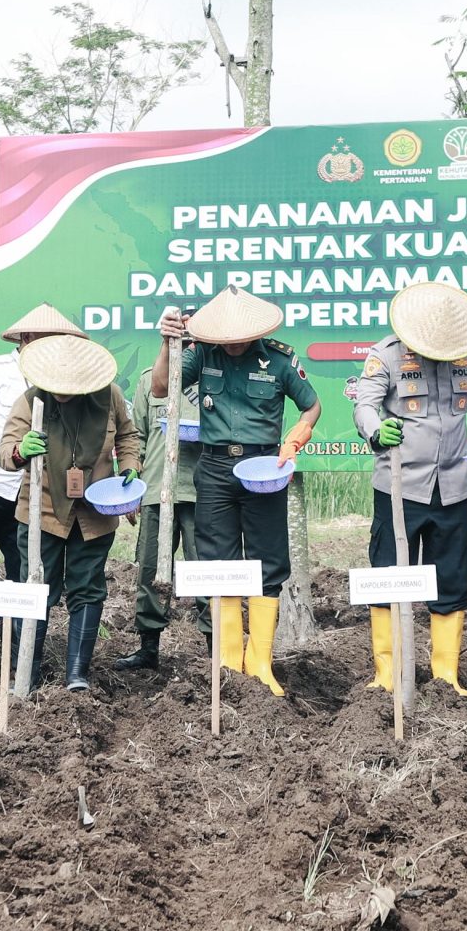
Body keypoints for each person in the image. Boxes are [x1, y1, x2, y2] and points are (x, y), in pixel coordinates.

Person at [151, 289, 320, 698]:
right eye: (225, 335)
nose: (232, 342)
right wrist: (166, 344)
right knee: (216, 560)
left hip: (265, 468)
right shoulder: (202, 354)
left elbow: (311, 406)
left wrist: (296, 439)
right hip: (214, 467)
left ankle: (260, 661)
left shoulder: (278, 359)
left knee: (268, 559)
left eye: (240, 335)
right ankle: (228, 659)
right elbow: (160, 388)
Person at [350, 281, 467, 699]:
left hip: (454, 486)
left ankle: (446, 676)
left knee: (451, 576)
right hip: (399, 487)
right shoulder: (385, 355)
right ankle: (388, 672)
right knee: (389, 575)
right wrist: (375, 430)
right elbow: (364, 405)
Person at [0, 335, 141, 692]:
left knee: (88, 588)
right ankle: (26, 673)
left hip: (95, 511)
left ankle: (77, 673)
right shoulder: (32, 400)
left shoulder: (110, 397)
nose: (61, 391)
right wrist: (20, 451)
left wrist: (129, 467)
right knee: (37, 589)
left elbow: (128, 435)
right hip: (42, 511)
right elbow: (3, 452)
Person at [0, 304, 83, 673]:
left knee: (26, 574)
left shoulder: (64, 377)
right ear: (25, 339)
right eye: (42, 340)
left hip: (30, 495)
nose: (50, 347)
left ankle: (24, 655)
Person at [117, 349, 204, 671]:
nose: (189, 349)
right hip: (156, 491)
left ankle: (214, 650)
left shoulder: (213, 378)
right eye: (182, 341)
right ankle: (148, 649)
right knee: (150, 571)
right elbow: (134, 436)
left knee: (205, 573)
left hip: (200, 492)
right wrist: (132, 486)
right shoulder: (148, 380)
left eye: (195, 342)